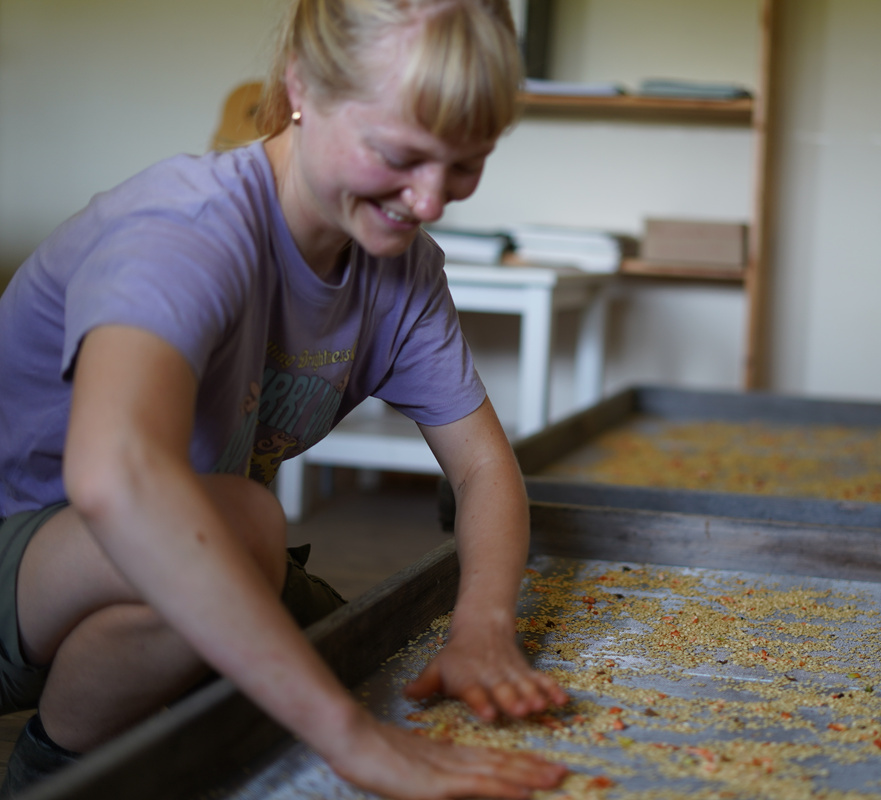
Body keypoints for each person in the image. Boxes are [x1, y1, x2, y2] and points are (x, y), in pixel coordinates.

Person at [0, 0, 571, 797]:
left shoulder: (400, 268)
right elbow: (115, 479)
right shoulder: (188, 227)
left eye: (465, 165)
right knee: (245, 530)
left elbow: (481, 466)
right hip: (21, 557)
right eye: (398, 154)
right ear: (303, 85)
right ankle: (52, 776)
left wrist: (483, 626)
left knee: (359, 657)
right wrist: (353, 740)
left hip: (132, 568)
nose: (432, 201)